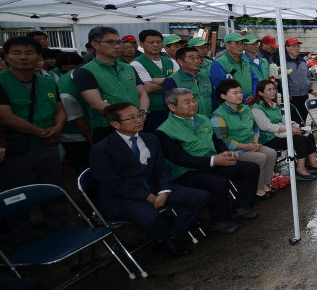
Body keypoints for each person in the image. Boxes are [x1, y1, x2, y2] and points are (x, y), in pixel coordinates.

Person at [88, 102, 209, 257]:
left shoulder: (150, 138)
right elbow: (113, 183)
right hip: (123, 196)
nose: (139, 120)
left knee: (200, 196)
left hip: (154, 187)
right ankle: (166, 239)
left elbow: (162, 168)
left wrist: (164, 191)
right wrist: (148, 197)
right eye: (131, 118)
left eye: (140, 115)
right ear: (115, 124)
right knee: (151, 217)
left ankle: (169, 236)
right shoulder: (102, 149)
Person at [156, 87, 259, 234]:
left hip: (211, 162)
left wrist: (225, 153)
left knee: (250, 168)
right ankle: (219, 221)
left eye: (194, 100)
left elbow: (216, 140)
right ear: (172, 107)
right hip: (186, 171)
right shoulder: (164, 131)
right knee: (218, 182)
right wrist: (213, 161)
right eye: (187, 102)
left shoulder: (202, 119)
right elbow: (180, 159)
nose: (193, 104)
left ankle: (241, 207)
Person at [0, 36, 68, 234]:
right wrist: (43, 132)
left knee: (54, 192)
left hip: (48, 148)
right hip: (16, 151)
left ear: (39, 56)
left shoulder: (47, 82)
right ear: (7, 57)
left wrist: (57, 128)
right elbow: (5, 116)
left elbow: (59, 108)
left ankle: (60, 232)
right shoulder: (2, 82)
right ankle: (23, 238)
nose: (23, 57)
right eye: (16, 53)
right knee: (17, 198)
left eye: (29, 52)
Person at [74, 27, 150, 143]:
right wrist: (126, 119)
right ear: (95, 44)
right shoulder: (85, 71)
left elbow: (142, 94)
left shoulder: (128, 68)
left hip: (137, 123)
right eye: (111, 42)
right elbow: (95, 103)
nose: (117, 46)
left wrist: (142, 114)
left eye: (118, 42)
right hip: (108, 126)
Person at [249, 79, 317, 181]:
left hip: (281, 132)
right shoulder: (256, 108)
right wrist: (289, 130)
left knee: (308, 135)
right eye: (269, 90)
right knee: (301, 140)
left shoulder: (274, 105)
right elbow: (266, 126)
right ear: (260, 93)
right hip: (269, 138)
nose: (273, 92)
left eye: (274, 89)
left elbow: (285, 119)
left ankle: (313, 164)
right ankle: (300, 170)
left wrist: (294, 125)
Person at [212, 79, 277, 201]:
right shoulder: (218, 115)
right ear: (223, 96)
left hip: (251, 144)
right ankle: (258, 189)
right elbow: (222, 141)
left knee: (271, 153)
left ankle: (265, 184)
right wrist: (245, 146)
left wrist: (255, 140)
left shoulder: (246, 108)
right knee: (260, 157)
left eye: (240, 92)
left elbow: (255, 127)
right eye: (235, 93)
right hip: (235, 150)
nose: (239, 95)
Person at [131, 30, 175, 132]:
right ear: (141, 44)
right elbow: (148, 88)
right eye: (151, 42)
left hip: (173, 109)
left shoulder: (171, 61)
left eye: (158, 42)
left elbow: (180, 82)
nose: (155, 45)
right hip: (153, 111)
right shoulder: (136, 64)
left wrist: (154, 80)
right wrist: (170, 82)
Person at [57, 60, 94, 176]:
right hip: (76, 136)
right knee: (85, 165)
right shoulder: (67, 92)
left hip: (91, 126)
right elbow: (79, 121)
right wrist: (92, 142)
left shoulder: (85, 72)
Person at [162, 47, 213, 117]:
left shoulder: (206, 78)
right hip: (187, 121)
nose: (197, 61)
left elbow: (213, 99)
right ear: (180, 62)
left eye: (198, 58)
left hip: (208, 120)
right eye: (192, 58)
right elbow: (169, 107)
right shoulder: (172, 81)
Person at [210, 33, 258, 104]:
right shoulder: (218, 64)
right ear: (227, 45)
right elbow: (222, 87)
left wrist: (254, 95)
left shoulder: (245, 62)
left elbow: (254, 79)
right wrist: (245, 97)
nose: (240, 47)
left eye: (242, 44)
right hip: (230, 105)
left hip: (249, 103)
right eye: (236, 43)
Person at [282, 38, 317, 122]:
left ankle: (303, 129)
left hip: (304, 95)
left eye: (298, 46)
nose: (297, 49)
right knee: (293, 120)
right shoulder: (282, 62)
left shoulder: (302, 61)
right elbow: (279, 80)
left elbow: (307, 76)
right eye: (294, 46)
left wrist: (310, 90)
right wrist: (285, 93)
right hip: (291, 97)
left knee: (303, 118)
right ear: (287, 47)